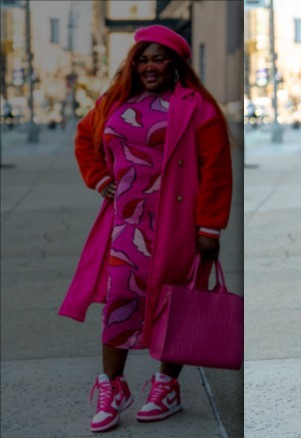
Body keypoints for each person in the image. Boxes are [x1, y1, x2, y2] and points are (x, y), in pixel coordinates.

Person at [58, 25, 232, 433]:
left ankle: (166, 386)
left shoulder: (196, 107)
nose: (149, 66)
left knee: (177, 303)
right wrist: (100, 179)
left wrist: (210, 228)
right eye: (142, 59)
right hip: (126, 222)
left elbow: (217, 170)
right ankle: (111, 386)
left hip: (179, 223)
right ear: (132, 64)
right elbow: (85, 138)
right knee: (119, 298)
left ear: (175, 64)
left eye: (158, 59)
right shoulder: (115, 101)